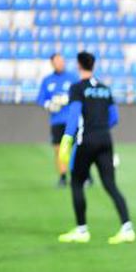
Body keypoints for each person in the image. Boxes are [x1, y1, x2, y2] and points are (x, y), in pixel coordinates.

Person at [56, 52, 135, 245]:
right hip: (106, 140)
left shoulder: (77, 88)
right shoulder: (105, 89)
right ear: (93, 65)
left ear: (78, 65)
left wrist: (67, 140)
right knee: (110, 185)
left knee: (76, 182)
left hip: (87, 140)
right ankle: (127, 228)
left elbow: (74, 115)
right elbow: (114, 118)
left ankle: (82, 230)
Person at [36, 53, 78, 188]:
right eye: (58, 61)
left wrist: (68, 99)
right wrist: (49, 104)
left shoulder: (72, 78)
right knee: (59, 150)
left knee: (75, 149)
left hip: (71, 119)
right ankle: (63, 176)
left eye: (62, 61)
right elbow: (40, 99)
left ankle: (81, 175)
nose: (61, 63)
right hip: (57, 120)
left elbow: (80, 95)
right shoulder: (47, 80)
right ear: (52, 63)